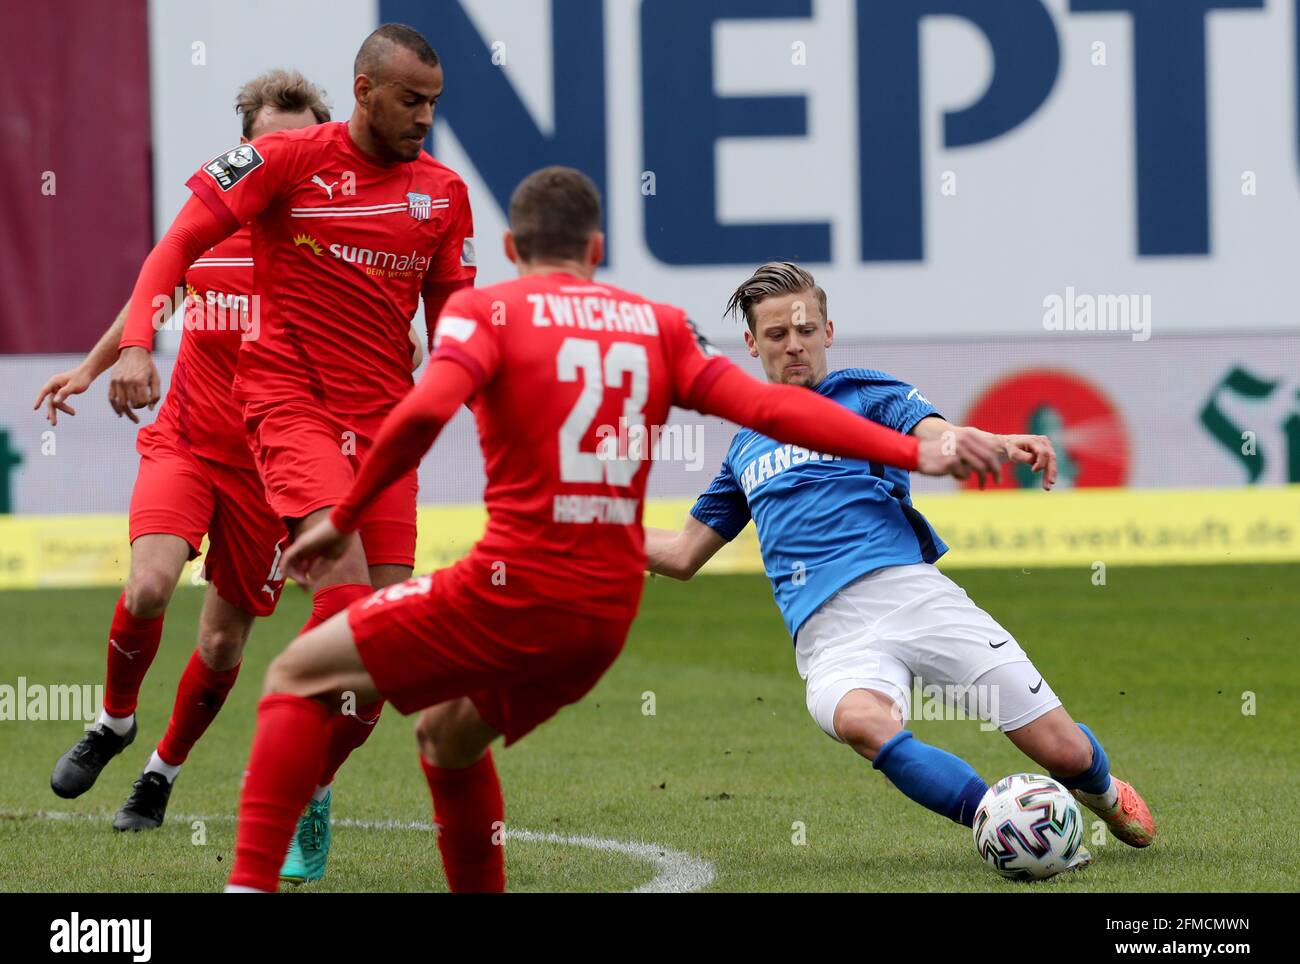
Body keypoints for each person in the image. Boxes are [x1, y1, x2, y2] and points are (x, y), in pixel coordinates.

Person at [221, 166, 1003, 893]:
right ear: (597, 249)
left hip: (513, 585)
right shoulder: (656, 324)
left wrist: (346, 517)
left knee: (296, 674)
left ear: (508, 248)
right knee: (447, 740)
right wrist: (913, 450)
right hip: (601, 618)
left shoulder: (483, 310)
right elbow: (773, 410)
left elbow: (424, 411)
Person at [105, 23, 475, 881]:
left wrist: (460, 380)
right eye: (410, 100)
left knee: (386, 657)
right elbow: (177, 245)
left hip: (386, 432)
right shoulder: (287, 160)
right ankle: (259, 738)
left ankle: (305, 773)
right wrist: (133, 345)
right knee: (344, 607)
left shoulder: (444, 194)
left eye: (435, 103)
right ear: (363, 88)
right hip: (290, 409)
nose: (425, 117)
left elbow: (453, 308)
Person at [645, 261, 1156, 865]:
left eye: (806, 330)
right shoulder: (745, 447)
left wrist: (994, 443)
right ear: (753, 343)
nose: (795, 345)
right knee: (865, 723)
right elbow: (680, 556)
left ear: (828, 330)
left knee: (1064, 752)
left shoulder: (867, 392)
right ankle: (997, 821)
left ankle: (1099, 792)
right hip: (830, 639)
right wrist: (592, 527)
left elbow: (936, 435)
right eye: (777, 335)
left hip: (915, 598)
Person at [41, 70, 333, 834]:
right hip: (189, 444)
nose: (282, 159)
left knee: (221, 638)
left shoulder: (339, 242)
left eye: (298, 144)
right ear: (244, 150)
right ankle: (114, 721)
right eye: (269, 144)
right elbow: (155, 285)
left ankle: (160, 774)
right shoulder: (216, 224)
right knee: (147, 588)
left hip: (274, 474)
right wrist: (105, 361)